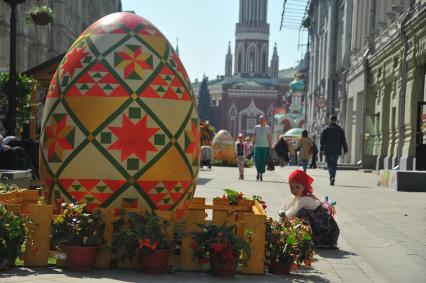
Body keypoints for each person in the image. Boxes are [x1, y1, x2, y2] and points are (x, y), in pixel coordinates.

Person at [280, 169, 340, 248]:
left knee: (301, 213)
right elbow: (286, 206)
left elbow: (291, 212)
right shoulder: (299, 196)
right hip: (320, 226)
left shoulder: (304, 199)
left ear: (304, 186)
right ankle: (308, 238)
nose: (294, 190)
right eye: (292, 188)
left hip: (327, 231)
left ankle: (310, 240)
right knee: (299, 213)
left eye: (297, 187)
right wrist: (282, 213)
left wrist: (281, 220)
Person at [320, 115, 348, 186]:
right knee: (334, 164)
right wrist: (345, 149)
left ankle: (331, 176)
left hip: (328, 150)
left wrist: (322, 149)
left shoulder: (326, 129)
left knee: (329, 164)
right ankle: (333, 176)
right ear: (335, 120)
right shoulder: (340, 129)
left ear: (330, 120)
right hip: (336, 150)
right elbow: (343, 140)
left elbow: (322, 141)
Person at [251, 115, 272, 181]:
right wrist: (252, 143)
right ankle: (258, 171)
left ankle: (261, 174)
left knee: (263, 161)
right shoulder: (256, 128)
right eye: (260, 119)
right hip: (257, 146)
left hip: (265, 147)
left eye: (262, 119)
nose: (261, 121)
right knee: (257, 160)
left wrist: (270, 145)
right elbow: (254, 136)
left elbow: (269, 138)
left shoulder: (267, 128)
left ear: (265, 120)